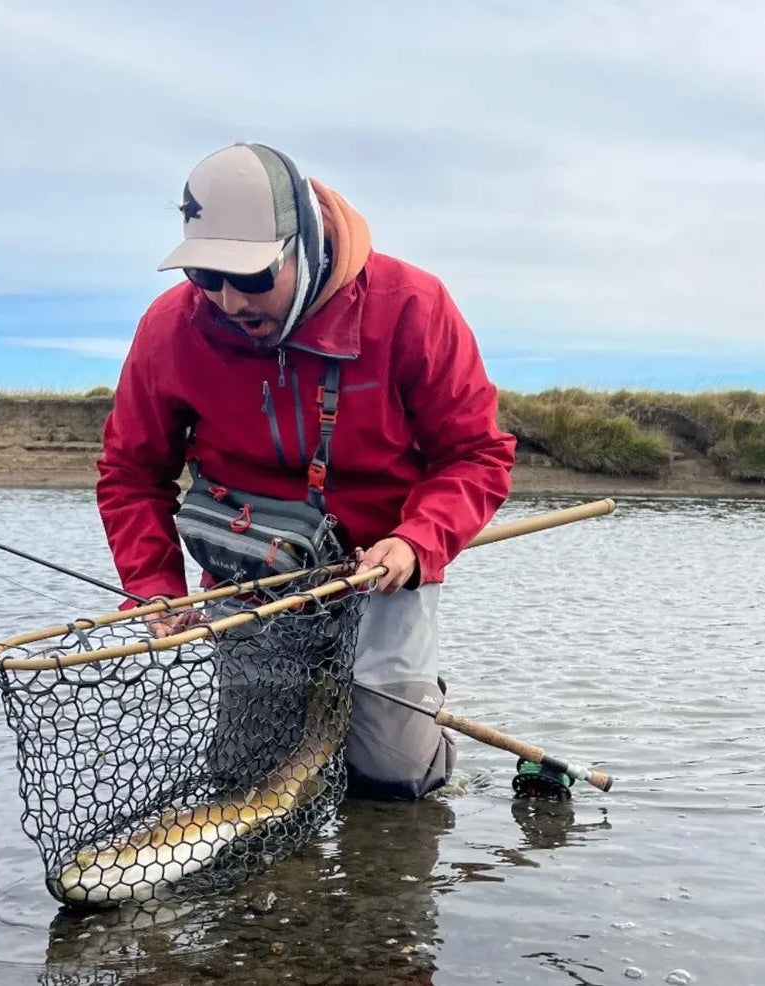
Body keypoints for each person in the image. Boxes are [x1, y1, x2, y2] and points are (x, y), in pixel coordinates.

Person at [96, 141, 516, 800]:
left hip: (382, 569)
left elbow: (477, 454)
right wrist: (153, 583)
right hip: (251, 572)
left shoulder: (413, 306)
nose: (230, 300)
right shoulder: (170, 331)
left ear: (307, 244)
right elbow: (130, 470)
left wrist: (417, 541)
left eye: (254, 276)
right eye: (206, 277)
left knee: (393, 780)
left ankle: (398, 730)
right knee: (250, 776)